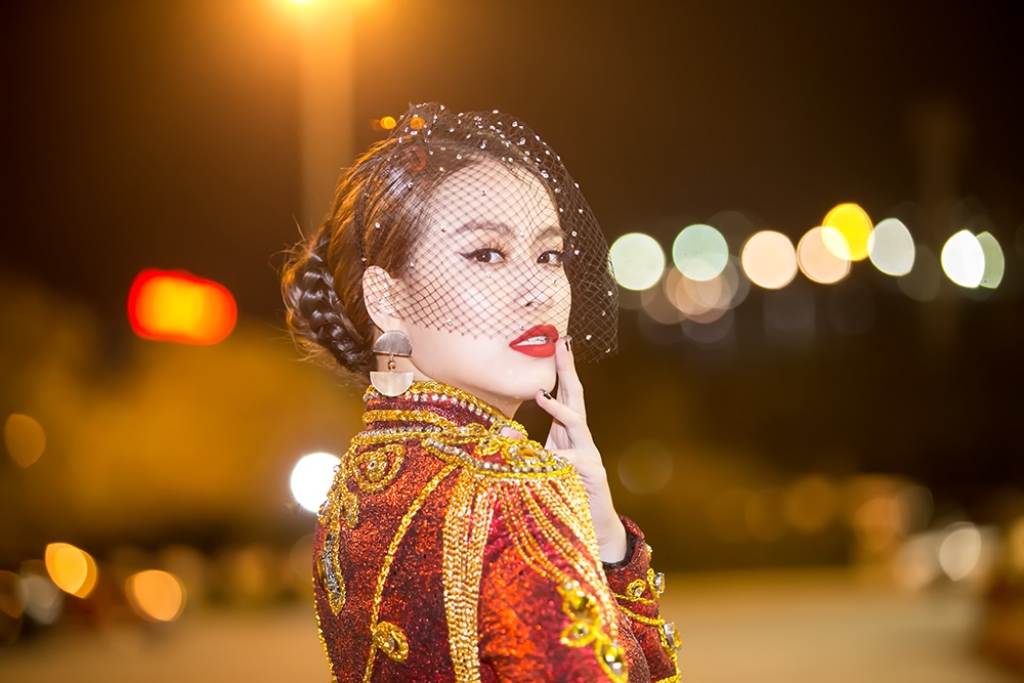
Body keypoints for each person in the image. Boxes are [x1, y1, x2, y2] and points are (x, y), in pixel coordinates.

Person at [281, 103, 681, 682]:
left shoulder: (355, 487)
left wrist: (603, 537)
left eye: (549, 255)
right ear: (386, 299)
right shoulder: (506, 492)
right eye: (487, 254)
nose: (538, 289)